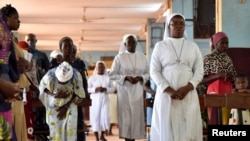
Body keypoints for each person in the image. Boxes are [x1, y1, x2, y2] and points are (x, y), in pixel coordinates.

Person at [150, 13, 204, 141]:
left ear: (185, 27)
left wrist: (189, 87)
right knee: (167, 125)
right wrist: (168, 89)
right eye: (175, 23)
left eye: (182, 23)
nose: (178, 26)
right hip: (166, 94)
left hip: (188, 92)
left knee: (188, 125)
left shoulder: (193, 46)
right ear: (168, 26)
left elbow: (199, 70)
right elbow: (154, 70)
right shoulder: (160, 46)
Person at [109, 34, 149, 141]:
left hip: (137, 91)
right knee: (126, 117)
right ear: (125, 44)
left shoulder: (142, 57)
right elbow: (112, 74)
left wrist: (140, 78)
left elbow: (148, 73)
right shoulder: (119, 57)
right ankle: (127, 139)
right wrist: (126, 78)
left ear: (136, 43)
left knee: (136, 117)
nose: (130, 44)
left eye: (133, 42)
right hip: (124, 92)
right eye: (128, 42)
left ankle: (133, 139)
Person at [53, 36, 89, 141]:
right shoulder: (55, 63)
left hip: (76, 99)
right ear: (61, 48)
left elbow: (84, 80)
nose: (68, 49)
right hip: (61, 99)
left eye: (70, 46)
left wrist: (85, 95)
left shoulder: (78, 63)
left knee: (77, 127)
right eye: (65, 46)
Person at [39, 61, 85, 141]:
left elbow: (78, 93)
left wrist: (66, 106)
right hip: (54, 107)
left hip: (70, 105)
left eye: (65, 82)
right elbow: (43, 88)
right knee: (55, 132)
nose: (62, 83)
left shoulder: (76, 76)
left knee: (70, 132)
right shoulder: (50, 75)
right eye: (60, 81)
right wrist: (54, 95)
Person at [202, 31, 236, 125]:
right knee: (214, 120)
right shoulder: (208, 58)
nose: (225, 46)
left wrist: (231, 77)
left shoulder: (228, 58)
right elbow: (201, 80)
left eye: (227, 43)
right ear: (216, 44)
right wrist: (218, 76)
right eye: (222, 43)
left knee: (227, 121)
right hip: (214, 92)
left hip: (227, 91)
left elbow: (235, 79)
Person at [0, 4, 22, 140]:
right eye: (16, 18)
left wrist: (13, 86)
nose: (18, 21)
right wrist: (3, 85)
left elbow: (9, 63)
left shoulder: (6, 33)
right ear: (7, 18)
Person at [88, 61, 115, 141]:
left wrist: (105, 89)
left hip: (105, 100)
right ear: (96, 68)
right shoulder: (92, 78)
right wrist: (95, 89)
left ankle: (102, 135)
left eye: (102, 67)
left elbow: (113, 89)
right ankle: (96, 137)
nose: (100, 68)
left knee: (104, 117)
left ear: (104, 68)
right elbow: (87, 89)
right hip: (95, 101)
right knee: (95, 118)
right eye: (99, 67)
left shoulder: (108, 78)